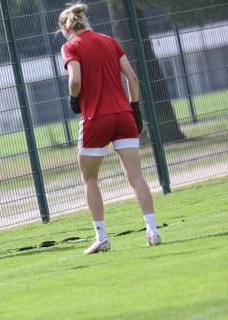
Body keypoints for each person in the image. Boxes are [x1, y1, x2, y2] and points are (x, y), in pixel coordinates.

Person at [58, 3, 162, 254]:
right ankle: (152, 230)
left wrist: (74, 99)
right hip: (124, 116)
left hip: (95, 119)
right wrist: (134, 108)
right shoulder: (109, 41)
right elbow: (133, 77)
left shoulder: (70, 46)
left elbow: (75, 81)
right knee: (136, 176)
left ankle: (101, 237)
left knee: (90, 178)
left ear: (65, 28)